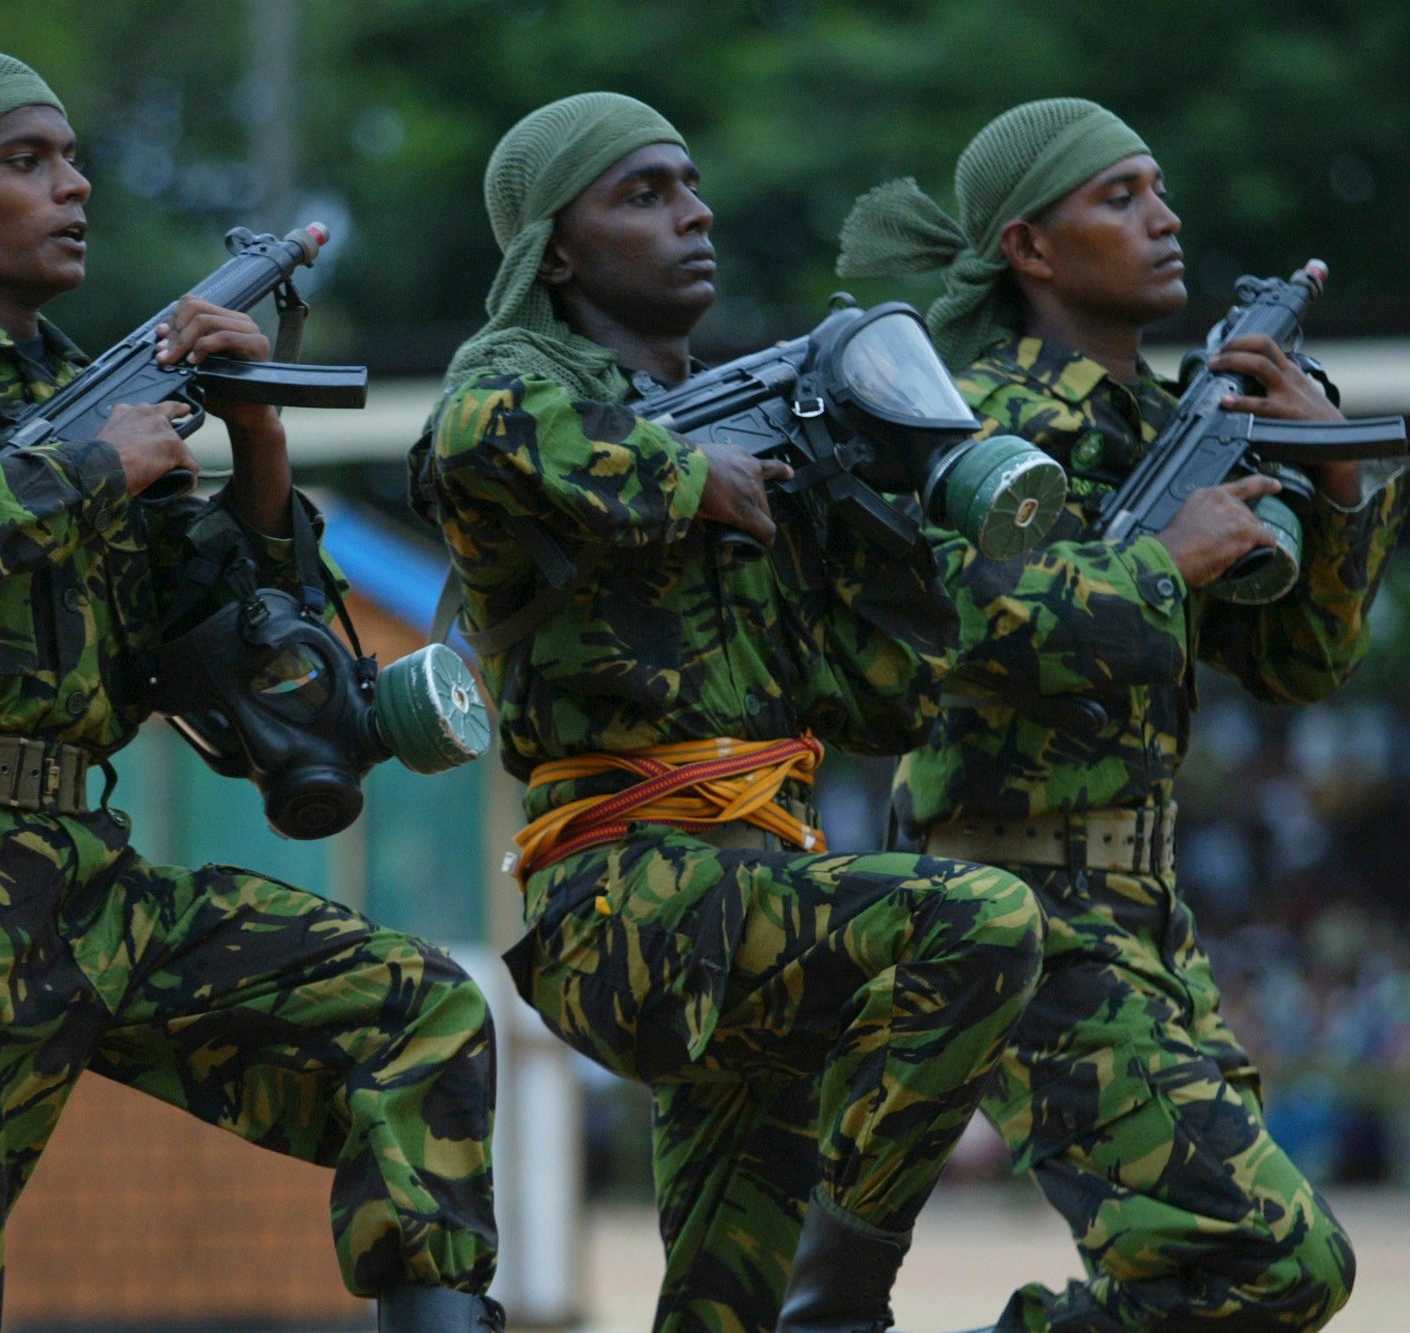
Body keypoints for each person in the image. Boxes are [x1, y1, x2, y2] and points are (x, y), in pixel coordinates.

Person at [0, 50, 501, 1333]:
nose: (76, 185)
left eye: (70, 157)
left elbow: (233, 639)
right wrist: (80, 471)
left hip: (89, 874)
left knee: (415, 1008)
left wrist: (255, 434)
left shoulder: (98, 392)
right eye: (26, 161)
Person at [410, 91, 1044, 1333]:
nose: (692, 213)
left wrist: (876, 509)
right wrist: (690, 473)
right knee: (980, 920)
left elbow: (875, 698)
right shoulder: (521, 375)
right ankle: (844, 1294)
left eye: (689, 185)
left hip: (754, 897)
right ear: (557, 248)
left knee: (718, 1311)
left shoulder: (747, 445)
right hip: (630, 901)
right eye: (641, 193)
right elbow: (470, 440)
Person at [835, 97, 1410, 1333]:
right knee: (1274, 1265)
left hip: (1144, 915)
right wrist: (1160, 560)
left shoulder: (1160, 423)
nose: (1162, 219)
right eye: (1117, 197)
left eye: (1157, 188)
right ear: (1026, 249)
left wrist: (1339, 481)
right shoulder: (961, 424)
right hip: (1013, 915)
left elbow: (1295, 666)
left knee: (1187, 1281)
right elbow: (945, 637)